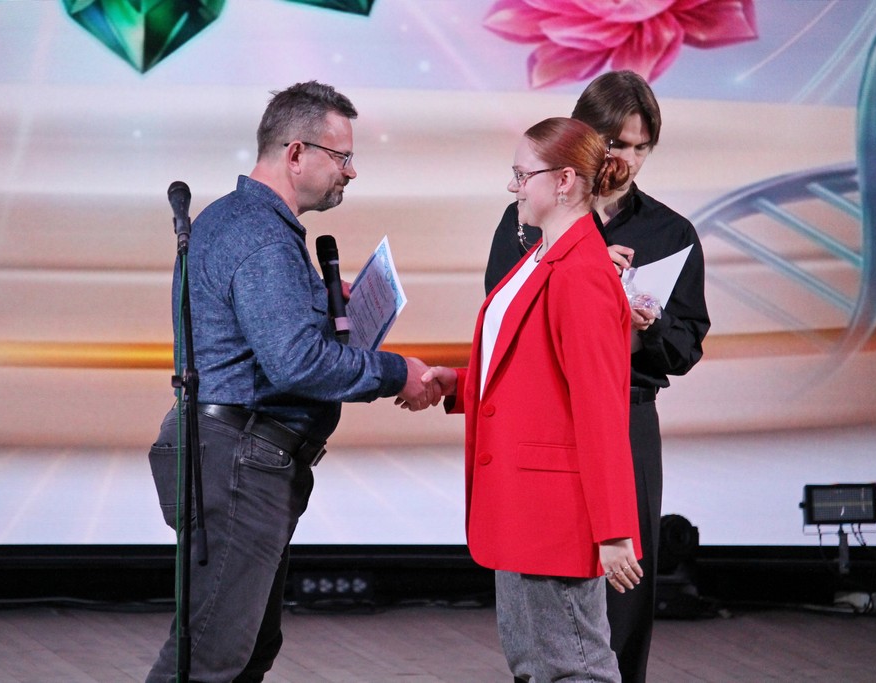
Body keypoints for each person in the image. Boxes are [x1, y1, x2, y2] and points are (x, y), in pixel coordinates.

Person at [145, 80, 437, 683]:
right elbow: (296, 362)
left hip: (233, 454)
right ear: (296, 152)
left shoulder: (239, 221)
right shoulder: (261, 236)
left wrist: (314, 300)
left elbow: (261, 340)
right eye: (342, 156)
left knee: (244, 649)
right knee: (210, 658)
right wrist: (396, 372)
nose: (351, 172)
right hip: (240, 460)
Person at [483, 71, 711, 683]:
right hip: (544, 422)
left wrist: (644, 324)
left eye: (640, 147)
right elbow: (503, 319)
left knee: (624, 596)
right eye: (614, 143)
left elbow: (686, 346)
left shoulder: (669, 232)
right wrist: (575, 275)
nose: (625, 159)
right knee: (541, 604)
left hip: (626, 416)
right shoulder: (526, 217)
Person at [417, 117, 642, 683]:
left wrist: (614, 530)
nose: (513, 186)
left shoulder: (582, 271)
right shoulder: (542, 256)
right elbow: (531, 370)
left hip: (554, 513)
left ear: (564, 181)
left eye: (522, 175)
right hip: (521, 502)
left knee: (573, 669)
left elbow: (600, 408)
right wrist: (460, 383)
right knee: (537, 667)